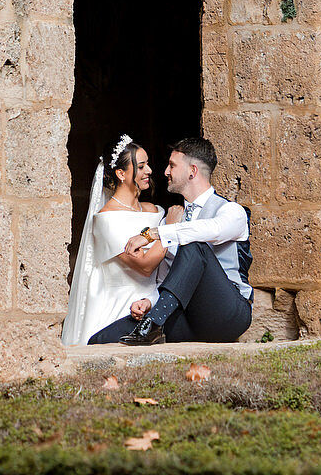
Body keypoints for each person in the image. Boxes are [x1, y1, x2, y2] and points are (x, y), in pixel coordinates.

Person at [118, 136, 251, 346]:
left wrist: (157, 233)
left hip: (228, 314)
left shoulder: (231, 211)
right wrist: (149, 302)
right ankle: (153, 322)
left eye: (172, 165)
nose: (165, 172)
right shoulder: (170, 221)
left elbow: (213, 230)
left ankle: (153, 324)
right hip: (187, 316)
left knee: (195, 246)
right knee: (103, 338)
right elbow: (166, 279)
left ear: (192, 171)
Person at [62, 134, 185, 345]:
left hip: (155, 299)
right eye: (141, 166)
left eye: (148, 165)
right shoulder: (107, 219)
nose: (149, 171)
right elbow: (145, 266)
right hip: (121, 306)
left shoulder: (155, 211)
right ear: (121, 173)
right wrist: (170, 229)